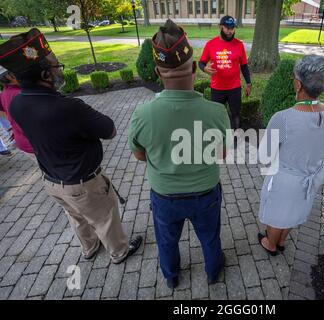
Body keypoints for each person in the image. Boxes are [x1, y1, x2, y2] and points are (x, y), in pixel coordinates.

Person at [0, 28, 142, 264]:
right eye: (57, 66)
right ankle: (119, 252)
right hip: (83, 183)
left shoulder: (17, 104)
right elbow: (110, 130)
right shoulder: (70, 107)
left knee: (76, 216)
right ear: (46, 74)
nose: (59, 69)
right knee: (104, 217)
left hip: (52, 181)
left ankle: (89, 248)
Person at [129, 20, 230, 289]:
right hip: (206, 192)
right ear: (195, 68)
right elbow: (221, 154)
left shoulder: (142, 115)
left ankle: (172, 278)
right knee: (210, 238)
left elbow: (139, 155)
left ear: (158, 72)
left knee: (166, 240)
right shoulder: (217, 112)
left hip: (164, 195)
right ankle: (212, 272)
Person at [257, 55, 324, 255]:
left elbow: (265, 155)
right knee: (295, 211)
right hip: (313, 175)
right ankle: (283, 240)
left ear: (298, 84)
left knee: (277, 215)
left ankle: (271, 244)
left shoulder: (283, 118)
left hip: (287, 179)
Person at [199, 15, 251, 129]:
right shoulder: (210, 44)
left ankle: (237, 136)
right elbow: (201, 63)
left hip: (234, 88)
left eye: (232, 28)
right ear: (220, 27)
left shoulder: (239, 45)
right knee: (217, 115)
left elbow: (244, 66)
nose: (230, 31)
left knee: (236, 114)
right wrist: (204, 68)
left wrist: (248, 83)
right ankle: (219, 137)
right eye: (227, 28)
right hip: (217, 88)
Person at [0, 66, 35, 161]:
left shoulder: (5, 92)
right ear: (8, 76)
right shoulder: (20, 93)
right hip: (33, 142)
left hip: (23, 141)